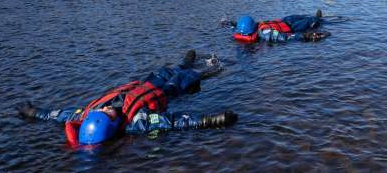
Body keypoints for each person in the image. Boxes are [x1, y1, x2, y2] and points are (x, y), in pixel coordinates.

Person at [16, 50, 237, 146]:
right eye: (106, 114)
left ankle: (186, 61)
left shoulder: (86, 115)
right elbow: (175, 122)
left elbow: (57, 115)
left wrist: (33, 112)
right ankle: (191, 68)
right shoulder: (137, 123)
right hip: (167, 92)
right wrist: (211, 120)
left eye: (100, 111)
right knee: (185, 77)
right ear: (113, 124)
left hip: (143, 85)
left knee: (165, 69)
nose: (104, 109)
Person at [230, 10, 330, 43]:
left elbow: (238, 26)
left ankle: (313, 17)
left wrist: (230, 23)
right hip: (292, 28)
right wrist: (305, 36)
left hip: (284, 21)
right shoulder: (264, 33)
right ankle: (318, 19)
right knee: (309, 21)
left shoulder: (245, 29)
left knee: (301, 16)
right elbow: (284, 37)